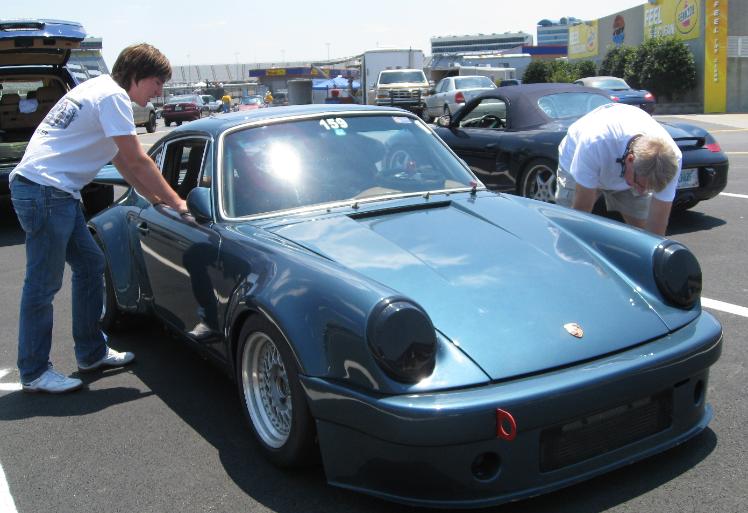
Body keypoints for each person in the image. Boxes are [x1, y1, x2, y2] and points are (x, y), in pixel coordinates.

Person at [9, 43, 188, 394]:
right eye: (157, 82)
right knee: (42, 285)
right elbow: (138, 161)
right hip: (47, 192)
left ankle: (91, 352)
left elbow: (122, 161)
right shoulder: (113, 97)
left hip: (52, 191)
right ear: (137, 75)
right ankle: (34, 371)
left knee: (91, 264)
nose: (159, 92)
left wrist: (155, 199)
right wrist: (177, 201)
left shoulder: (98, 90)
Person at [555, 102, 682, 236]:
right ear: (630, 160)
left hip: (628, 168)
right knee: (568, 227)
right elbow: (582, 209)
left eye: (649, 188)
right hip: (578, 159)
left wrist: (653, 246)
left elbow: (657, 225)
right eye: (640, 185)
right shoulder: (595, 142)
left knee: (643, 234)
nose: (642, 192)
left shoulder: (672, 159)